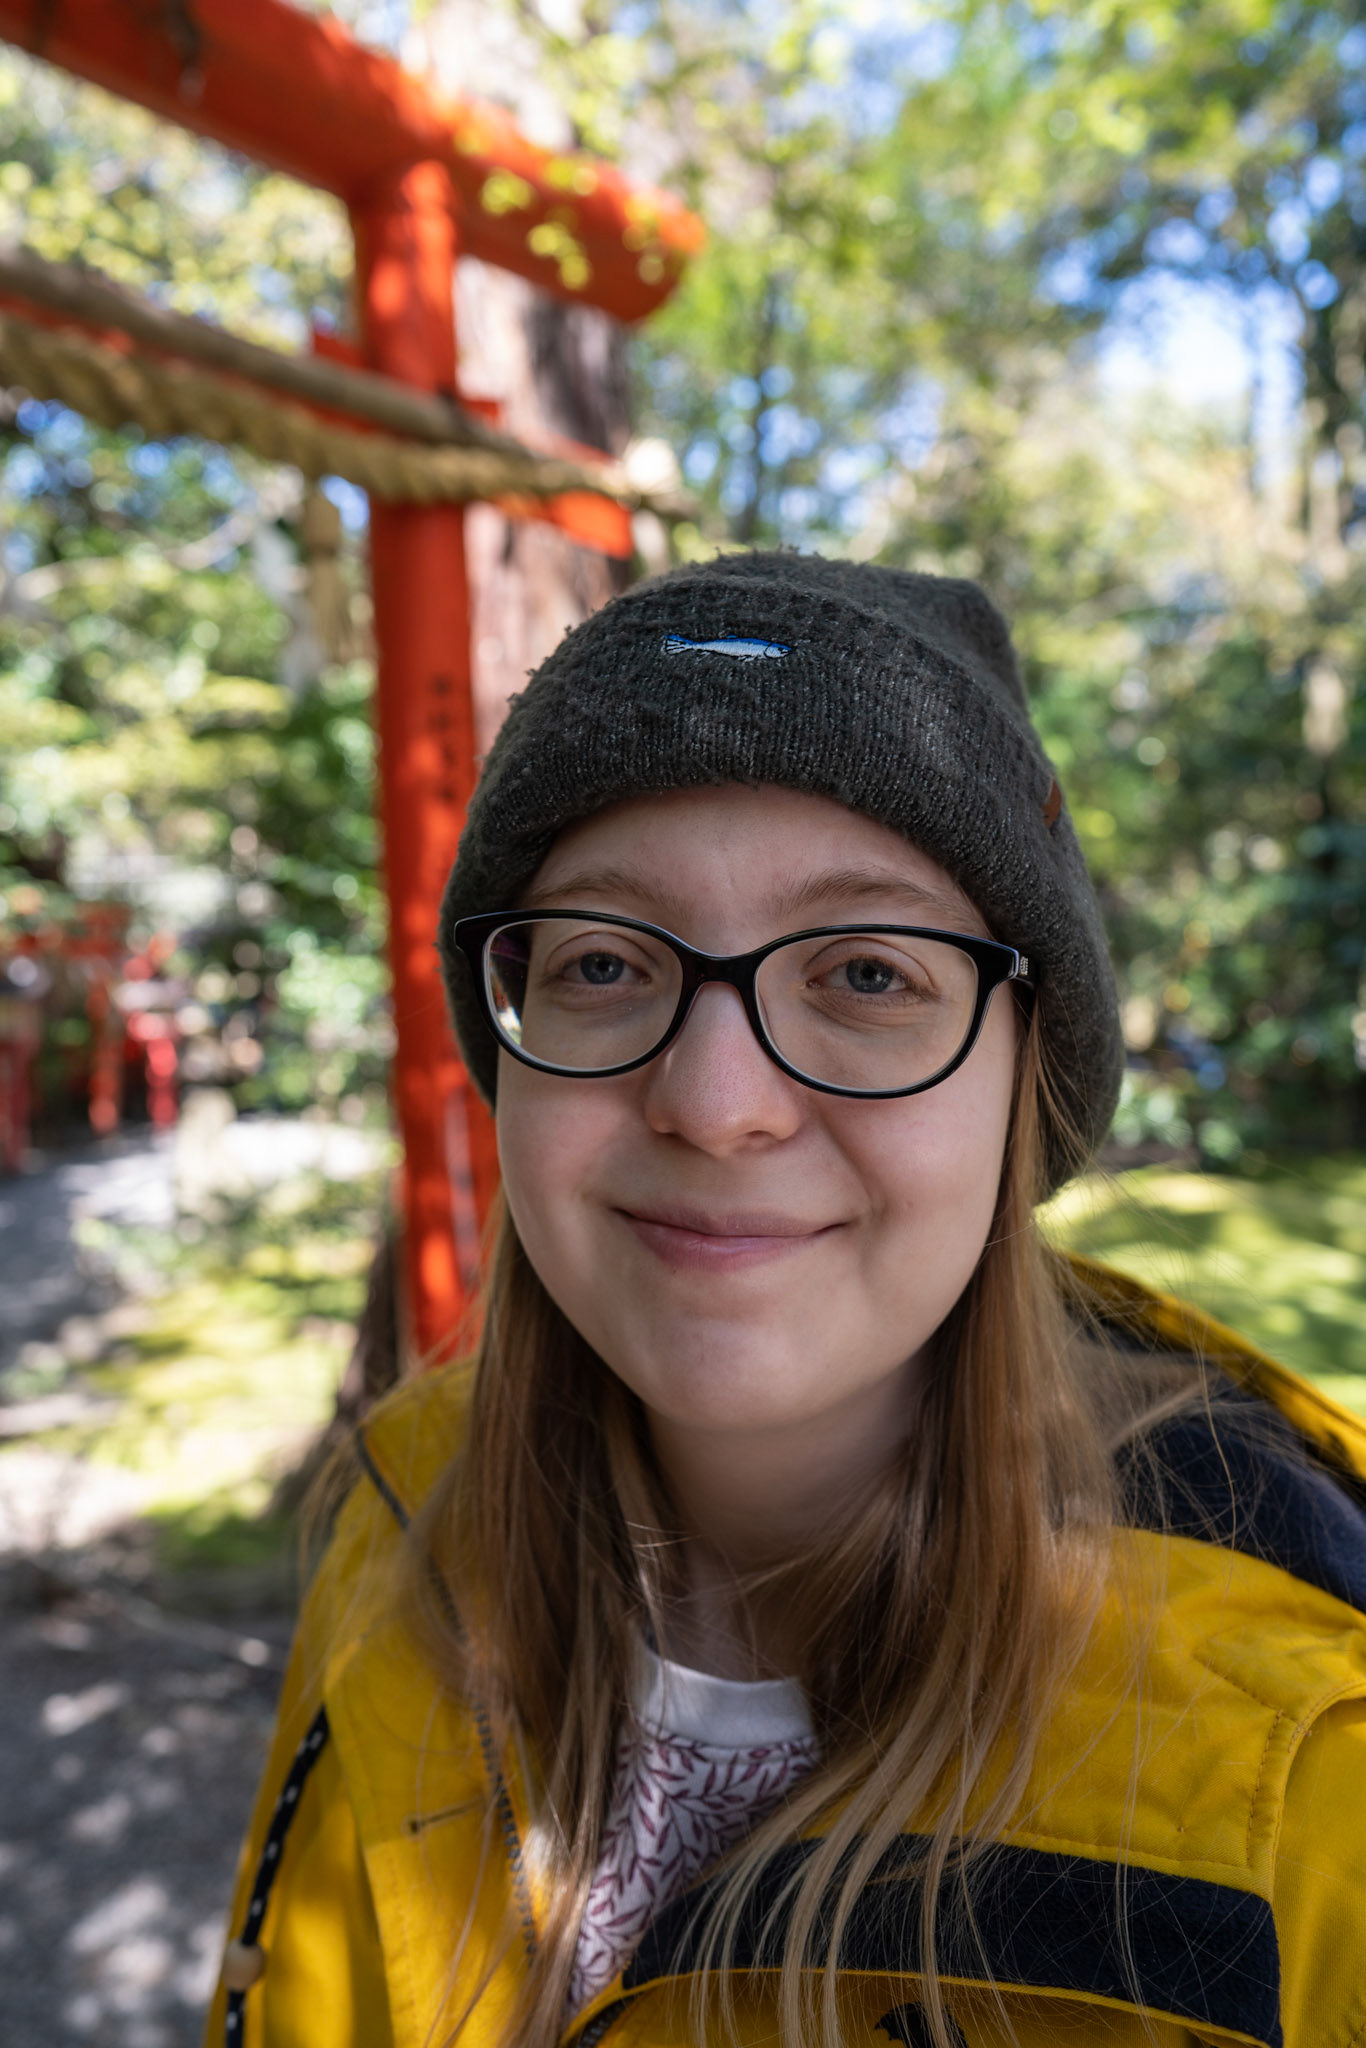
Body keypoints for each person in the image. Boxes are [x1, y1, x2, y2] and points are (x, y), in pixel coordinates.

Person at [207, 553, 1366, 2048]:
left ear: (1027, 1080)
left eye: (868, 975)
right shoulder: (400, 1525)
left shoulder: (1308, 1782)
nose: (714, 1102)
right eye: (605, 961)